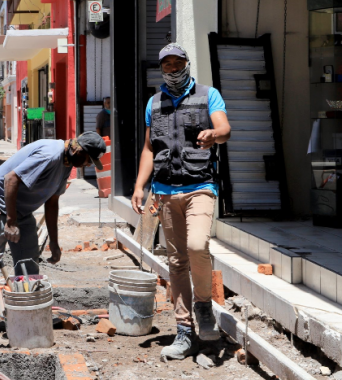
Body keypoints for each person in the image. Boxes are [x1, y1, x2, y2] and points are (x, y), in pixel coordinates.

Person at [132, 43, 232, 361]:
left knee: (197, 246)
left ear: (187, 64)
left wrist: (214, 134)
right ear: (161, 68)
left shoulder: (208, 95)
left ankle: (203, 306)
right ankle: (184, 331)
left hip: (200, 186)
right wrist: (139, 186)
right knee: (176, 262)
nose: (173, 69)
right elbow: (149, 148)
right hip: (165, 191)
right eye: (167, 64)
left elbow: (225, 129)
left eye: (178, 63)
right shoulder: (154, 103)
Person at [0, 131, 106, 341]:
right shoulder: (50, 155)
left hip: (20, 209)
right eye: (88, 160)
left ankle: (28, 315)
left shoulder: (66, 164)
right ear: (77, 150)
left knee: (28, 264)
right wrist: (11, 221)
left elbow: (52, 202)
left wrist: (54, 242)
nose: (87, 165)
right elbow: (10, 179)